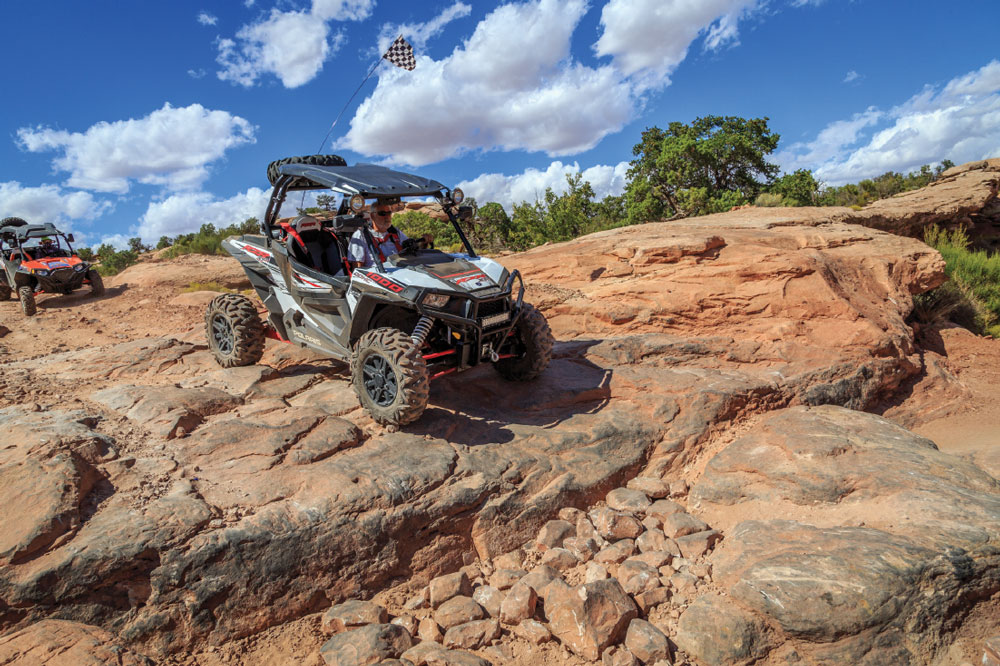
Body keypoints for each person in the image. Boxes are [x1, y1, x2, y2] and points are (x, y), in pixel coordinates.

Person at [347, 201, 408, 270]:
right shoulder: (361, 235)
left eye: (389, 213)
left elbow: (410, 249)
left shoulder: (395, 232)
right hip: (377, 277)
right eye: (382, 213)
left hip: (402, 273)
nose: (387, 217)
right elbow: (357, 269)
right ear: (372, 216)